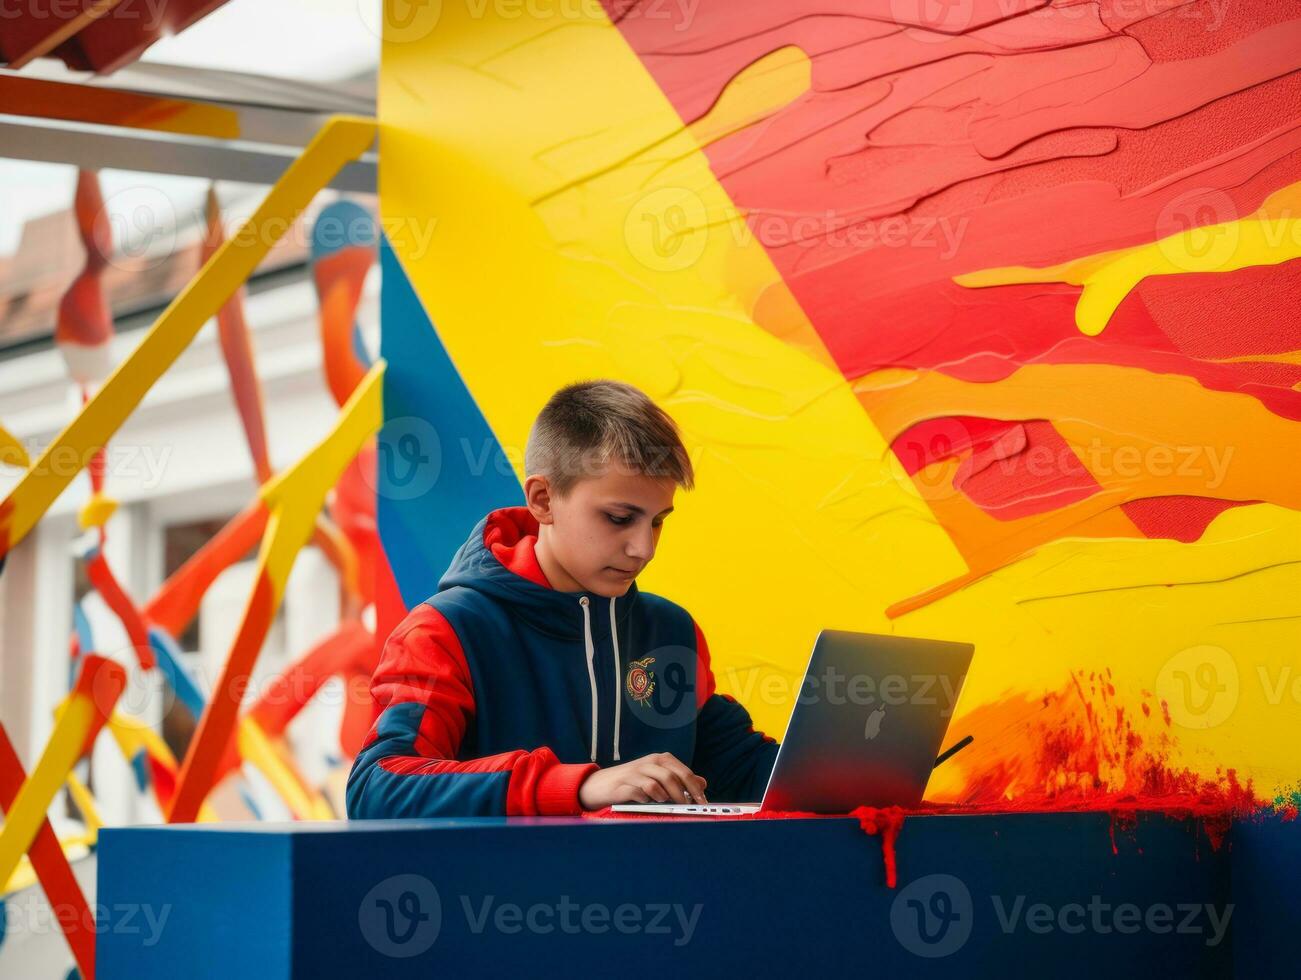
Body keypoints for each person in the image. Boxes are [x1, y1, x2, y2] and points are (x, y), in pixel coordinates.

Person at [347, 379, 778, 818]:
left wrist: (840, 766)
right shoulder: (445, 631)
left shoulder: (672, 631)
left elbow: (742, 769)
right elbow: (377, 789)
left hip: (655, 887)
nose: (643, 549)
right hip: (505, 889)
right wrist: (581, 785)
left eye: (657, 522)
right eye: (619, 518)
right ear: (542, 499)